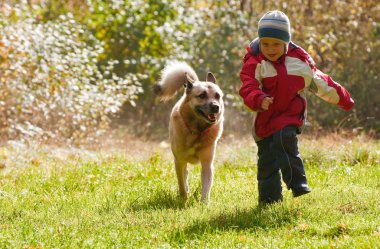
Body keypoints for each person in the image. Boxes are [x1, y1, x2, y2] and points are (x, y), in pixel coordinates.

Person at [239, 10, 354, 204]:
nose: (270, 49)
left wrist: (344, 100)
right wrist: (259, 98)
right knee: (267, 162)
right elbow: (248, 87)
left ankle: (297, 182)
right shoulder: (256, 63)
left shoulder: (299, 63)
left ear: (286, 42)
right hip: (265, 121)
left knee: (284, 139)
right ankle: (270, 200)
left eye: (276, 44)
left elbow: (322, 84)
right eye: (265, 43)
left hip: (290, 115)